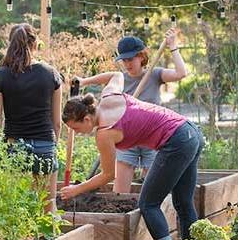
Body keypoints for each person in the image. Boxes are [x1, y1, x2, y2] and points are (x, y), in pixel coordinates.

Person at [60, 72, 203, 240]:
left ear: (87, 118)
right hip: (191, 132)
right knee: (182, 200)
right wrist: (85, 81)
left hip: (176, 142)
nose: (77, 133)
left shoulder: (104, 133)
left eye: (76, 128)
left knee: (148, 203)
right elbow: (116, 74)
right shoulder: (110, 95)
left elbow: (108, 175)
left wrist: (76, 190)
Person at [77, 28, 187, 192]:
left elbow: (181, 73)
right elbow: (108, 76)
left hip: (153, 138)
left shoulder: (154, 74)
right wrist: (84, 81)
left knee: (155, 192)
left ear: (141, 56)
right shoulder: (121, 79)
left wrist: (173, 47)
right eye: (124, 60)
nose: (127, 64)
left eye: (130, 59)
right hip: (127, 140)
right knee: (119, 192)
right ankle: (121, 218)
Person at [0, 23, 62, 211]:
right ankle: (51, 238)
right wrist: (54, 145)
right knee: (48, 204)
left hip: (14, 146)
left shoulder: (1, 76)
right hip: (45, 143)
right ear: (35, 44)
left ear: (10, 43)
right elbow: (57, 122)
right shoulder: (51, 74)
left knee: (13, 205)